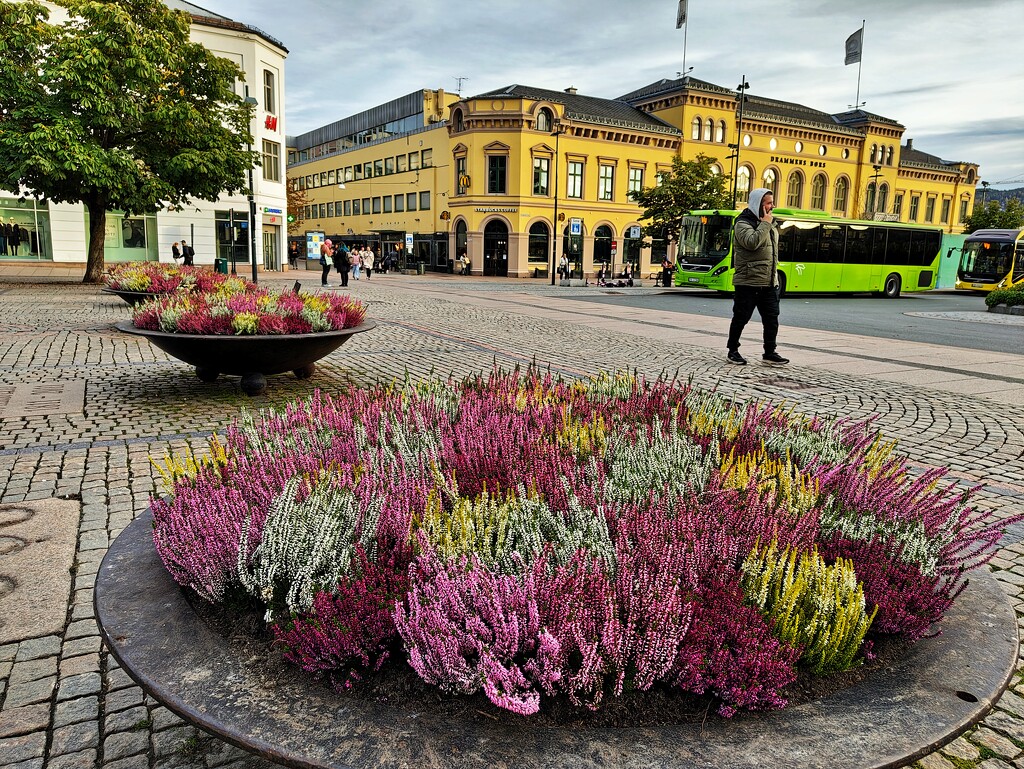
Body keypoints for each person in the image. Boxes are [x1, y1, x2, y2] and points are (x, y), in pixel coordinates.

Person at [726, 188, 789, 366]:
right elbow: (752, 243)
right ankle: (733, 350)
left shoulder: (770, 224)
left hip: (768, 282)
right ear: (758, 205)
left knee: (772, 318)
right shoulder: (743, 223)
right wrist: (766, 224)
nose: (772, 206)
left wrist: (774, 278)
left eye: (772, 202)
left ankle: (770, 352)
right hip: (748, 281)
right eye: (768, 203)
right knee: (741, 317)